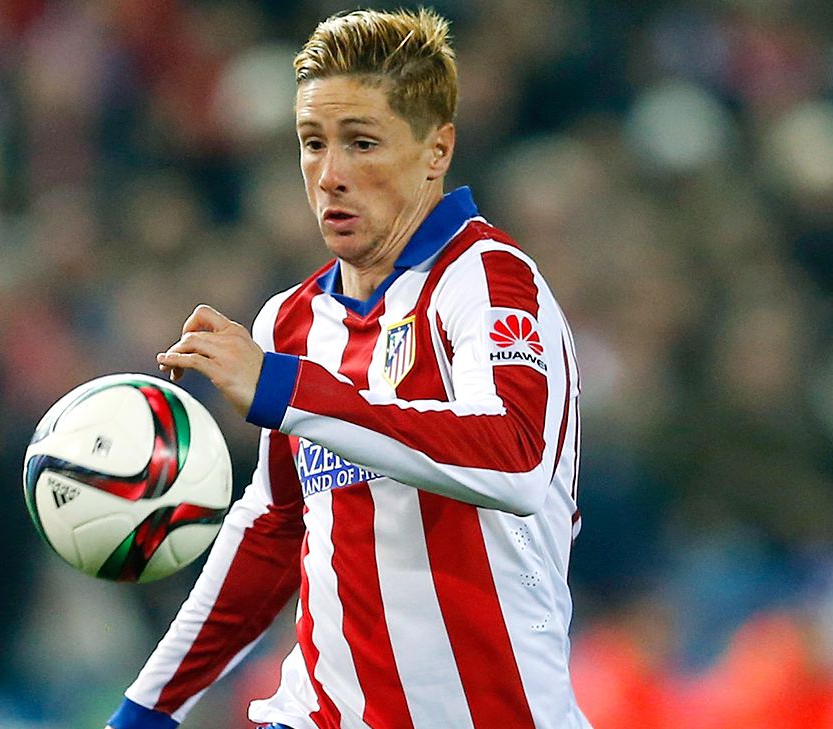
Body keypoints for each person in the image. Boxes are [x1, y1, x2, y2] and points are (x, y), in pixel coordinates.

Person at [107, 8, 587, 729]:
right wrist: (146, 708)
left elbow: (515, 461)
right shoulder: (291, 323)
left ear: (437, 149)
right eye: (311, 144)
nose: (329, 175)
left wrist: (283, 388)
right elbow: (272, 529)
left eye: (361, 143)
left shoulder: (486, 282)